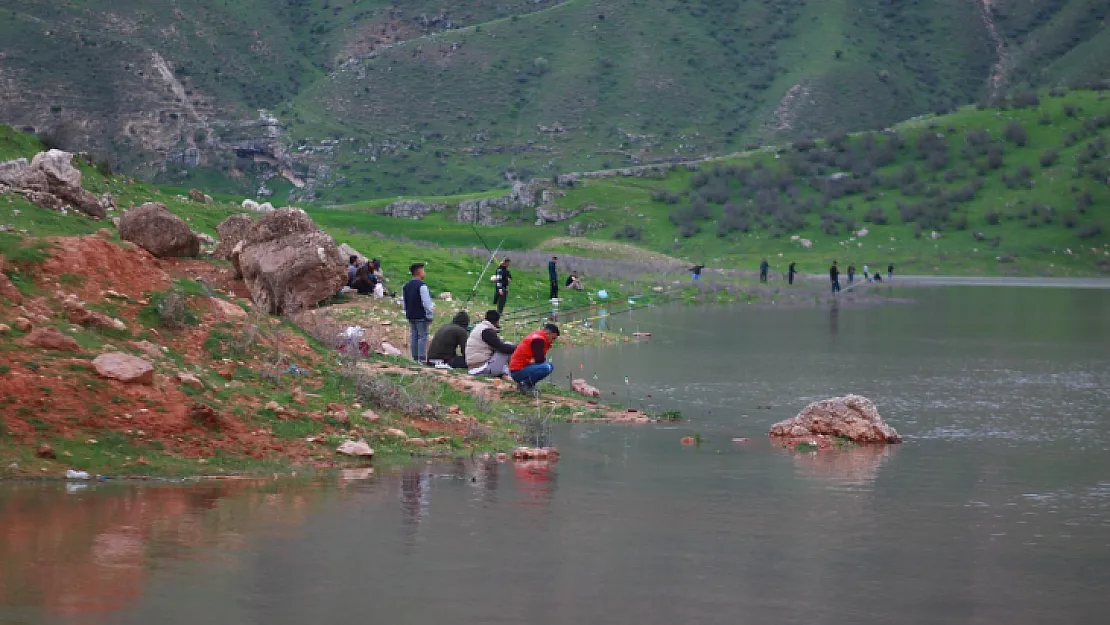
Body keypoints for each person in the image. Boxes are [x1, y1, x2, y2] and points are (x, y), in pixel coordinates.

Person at [509, 323, 560, 394]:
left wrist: (534, 361)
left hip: (519, 369)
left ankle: (527, 384)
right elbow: (540, 360)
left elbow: (538, 359)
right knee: (546, 367)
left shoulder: (537, 336)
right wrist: (535, 361)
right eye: (553, 338)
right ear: (548, 333)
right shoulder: (538, 340)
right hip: (518, 371)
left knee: (549, 366)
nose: (552, 341)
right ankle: (525, 384)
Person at [466, 310, 516, 376]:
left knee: (508, 348)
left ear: (485, 318)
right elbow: (502, 348)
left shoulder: (479, 327)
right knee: (509, 345)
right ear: (497, 322)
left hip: (473, 366)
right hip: (481, 368)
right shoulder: (487, 331)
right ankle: (516, 371)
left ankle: (512, 371)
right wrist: (518, 348)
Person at [403, 263, 435, 362]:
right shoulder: (422, 286)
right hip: (421, 315)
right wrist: (429, 315)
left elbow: (405, 301)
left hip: (411, 315)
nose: (424, 273)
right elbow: (426, 302)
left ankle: (414, 357)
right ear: (419, 272)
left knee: (414, 336)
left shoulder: (406, 286)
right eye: (423, 271)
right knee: (422, 336)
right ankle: (421, 358)